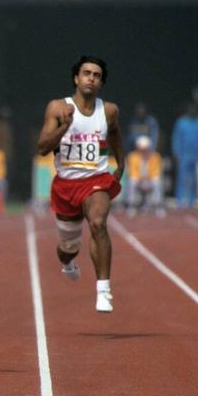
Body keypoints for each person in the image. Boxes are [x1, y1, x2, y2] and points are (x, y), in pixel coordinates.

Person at [37, 55, 124, 313]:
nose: (91, 78)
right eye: (87, 73)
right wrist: (64, 126)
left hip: (96, 180)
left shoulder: (108, 111)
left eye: (96, 75)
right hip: (66, 186)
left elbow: (116, 134)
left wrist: (122, 165)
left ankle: (104, 290)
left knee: (98, 222)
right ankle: (68, 263)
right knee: (67, 249)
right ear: (76, 78)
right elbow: (42, 147)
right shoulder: (57, 108)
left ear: (101, 83)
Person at [171, 103, 198, 209]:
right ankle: (180, 200)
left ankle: (191, 201)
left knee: (194, 179)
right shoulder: (181, 122)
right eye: (190, 110)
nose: (192, 112)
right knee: (182, 178)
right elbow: (176, 138)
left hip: (197, 155)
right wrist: (177, 153)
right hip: (184, 154)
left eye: (194, 110)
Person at [125, 135, 164, 217]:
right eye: (142, 149)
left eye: (145, 149)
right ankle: (131, 205)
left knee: (157, 181)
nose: (144, 151)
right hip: (139, 181)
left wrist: (147, 179)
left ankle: (158, 205)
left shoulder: (155, 157)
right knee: (132, 181)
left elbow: (156, 172)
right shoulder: (132, 156)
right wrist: (141, 179)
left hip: (149, 181)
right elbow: (132, 172)